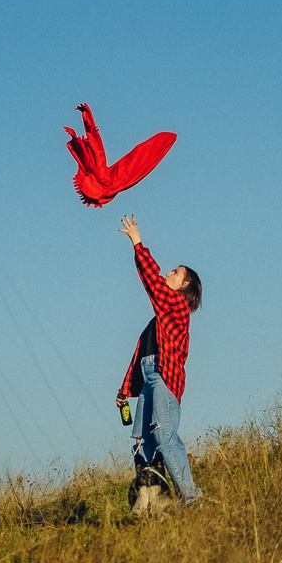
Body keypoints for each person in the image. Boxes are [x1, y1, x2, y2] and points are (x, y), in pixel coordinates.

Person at [116, 214, 201, 508]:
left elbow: (153, 283)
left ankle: (191, 497)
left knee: (164, 437)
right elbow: (141, 358)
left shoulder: (177, 307)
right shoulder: (159, 320)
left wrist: (137, 241)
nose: (169, 273)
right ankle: (155, 503)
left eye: (175, 272)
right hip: (149, 380)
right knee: (142, 443)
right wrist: (125, 391)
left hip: (164, 379)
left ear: (185, 286)